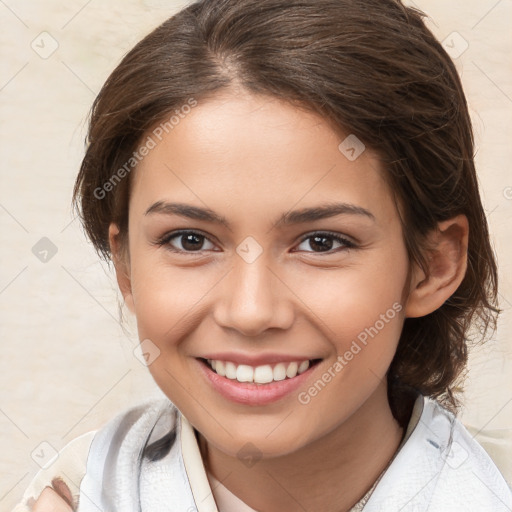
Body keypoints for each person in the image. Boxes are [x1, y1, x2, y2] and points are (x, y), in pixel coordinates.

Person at [14, 0, 512, 510]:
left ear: (432, 266)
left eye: (321, 242)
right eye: (190, 240)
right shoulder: (78, 491)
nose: (250, 312)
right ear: (126, 266)